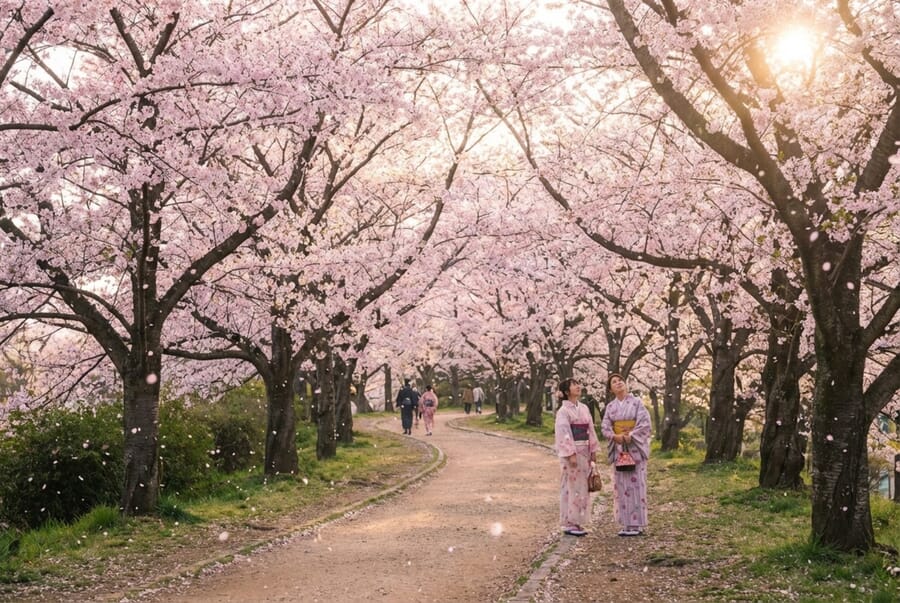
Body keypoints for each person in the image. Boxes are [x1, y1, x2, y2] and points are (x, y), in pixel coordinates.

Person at [600, 373, 651, 537]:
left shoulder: (637, 403)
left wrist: (632, 435)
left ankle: (637, 524)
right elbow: (605, 426)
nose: (618, 383)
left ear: (626, 383)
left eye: (620, 380)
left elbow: (645, 423)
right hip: (619, 449)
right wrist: (614, 436)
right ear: (610, 389)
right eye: (614, 382)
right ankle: (626, 523)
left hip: (634, 448)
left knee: (637, 485)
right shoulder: (610, 407)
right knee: (621, 485)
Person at [554, 378, 599, 537]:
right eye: (574, 385)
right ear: (566, 391)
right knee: (571, 486)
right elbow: (564, 433)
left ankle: (578, 520)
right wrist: (571, 453)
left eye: (578, 384)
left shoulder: (584, 408)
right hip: (572, 453)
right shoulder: (563, 411)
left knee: (582, 487)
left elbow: (591, 430)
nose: (578, 387)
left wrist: (593, 449)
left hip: (585, 451)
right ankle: (569, 521)